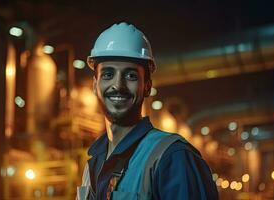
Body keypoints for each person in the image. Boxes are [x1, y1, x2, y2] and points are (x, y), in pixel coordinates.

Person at [77, 22, 218, 200]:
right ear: (95, 85)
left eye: (131, 76)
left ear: (147, 87)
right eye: (107, 74)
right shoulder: (93, 164)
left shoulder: (173, 158)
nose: (118, 85)